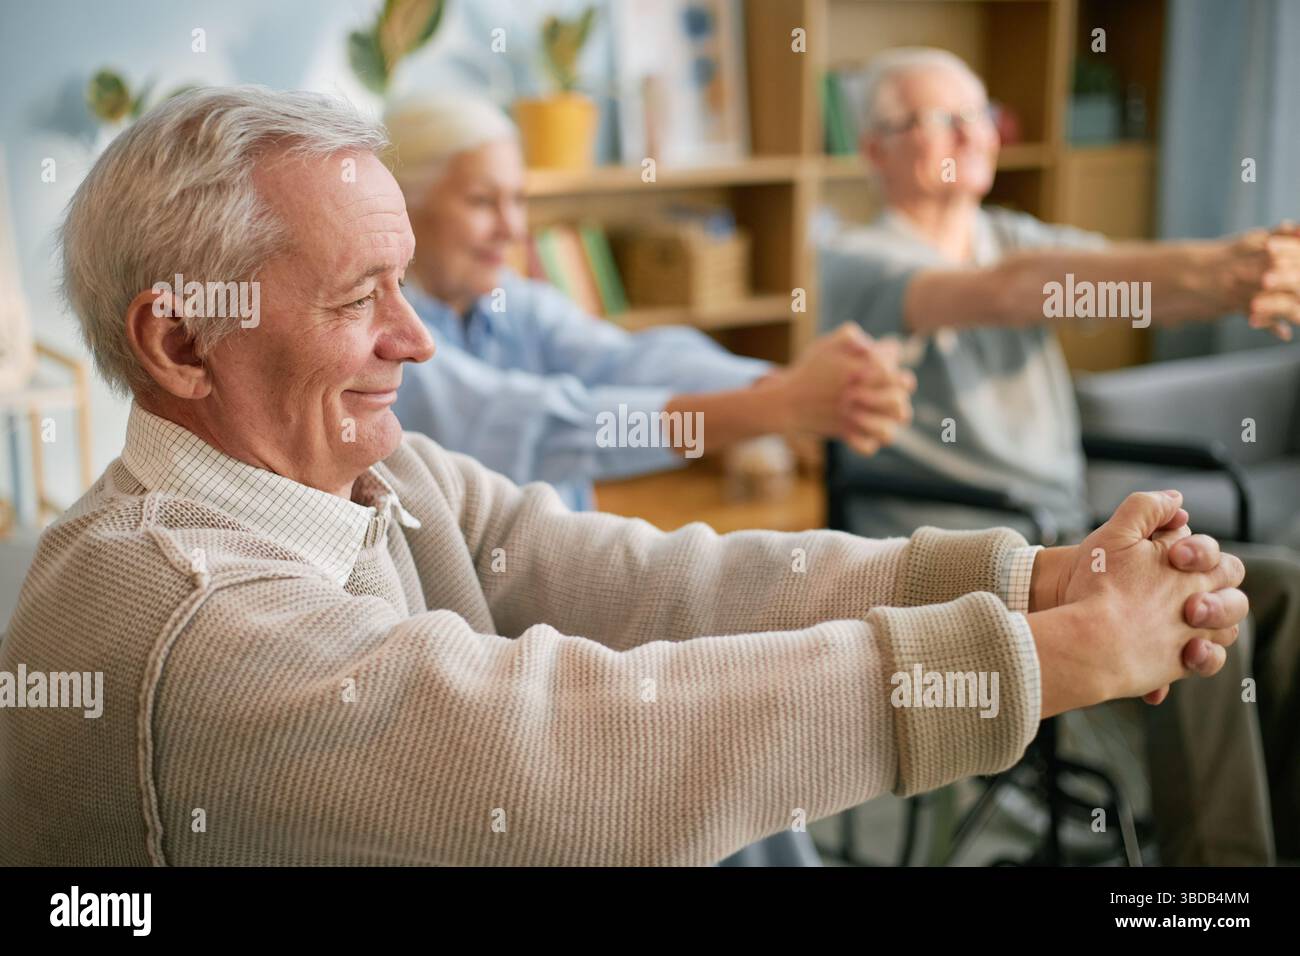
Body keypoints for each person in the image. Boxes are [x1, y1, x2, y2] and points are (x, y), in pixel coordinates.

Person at [0, 86, 1246, 866]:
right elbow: (577, 761)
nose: (415, 335)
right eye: (355, 298)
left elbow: (653, 585)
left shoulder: (381, 475)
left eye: (404, 281)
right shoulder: (188, 618)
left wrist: (1036, 578)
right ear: (179, 340)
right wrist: (1061, 656)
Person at [818, 46, 1300, 863]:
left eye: (980, 115)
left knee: (1278, 586)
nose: (971, 135)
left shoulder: (1010, 232)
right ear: (875, 150)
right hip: (958, 550)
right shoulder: (857, 261)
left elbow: (1118, 282)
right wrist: (1219, 271)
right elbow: (1016, 289)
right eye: (939, 119)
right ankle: (1218, 882)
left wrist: (1243, 275)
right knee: (1193, 603)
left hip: (1067, 533)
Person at [384, 95, 916, 517]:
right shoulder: (381, 339)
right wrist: (774, 409)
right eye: (482, 201)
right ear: (405, 206)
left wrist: (784, 385)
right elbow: (549, 429)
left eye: (518, 199)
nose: (513, 229)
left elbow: (633, 358)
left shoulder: (513, 302)